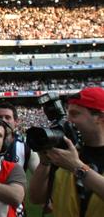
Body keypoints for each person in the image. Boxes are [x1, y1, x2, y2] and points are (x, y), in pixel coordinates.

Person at [29, 87, 104, 216]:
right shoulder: (65, 153)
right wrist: (44, 163)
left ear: (100, 118)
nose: (68, 121)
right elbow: (36, 198)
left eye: (75, 114)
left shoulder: (69, 160)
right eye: (67, 114)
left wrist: (77, 167)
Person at [0, 101, 40, 172]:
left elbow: (39, 174)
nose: (3, 120)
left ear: (16, 122)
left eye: (7, 117)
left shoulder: (26, 146)